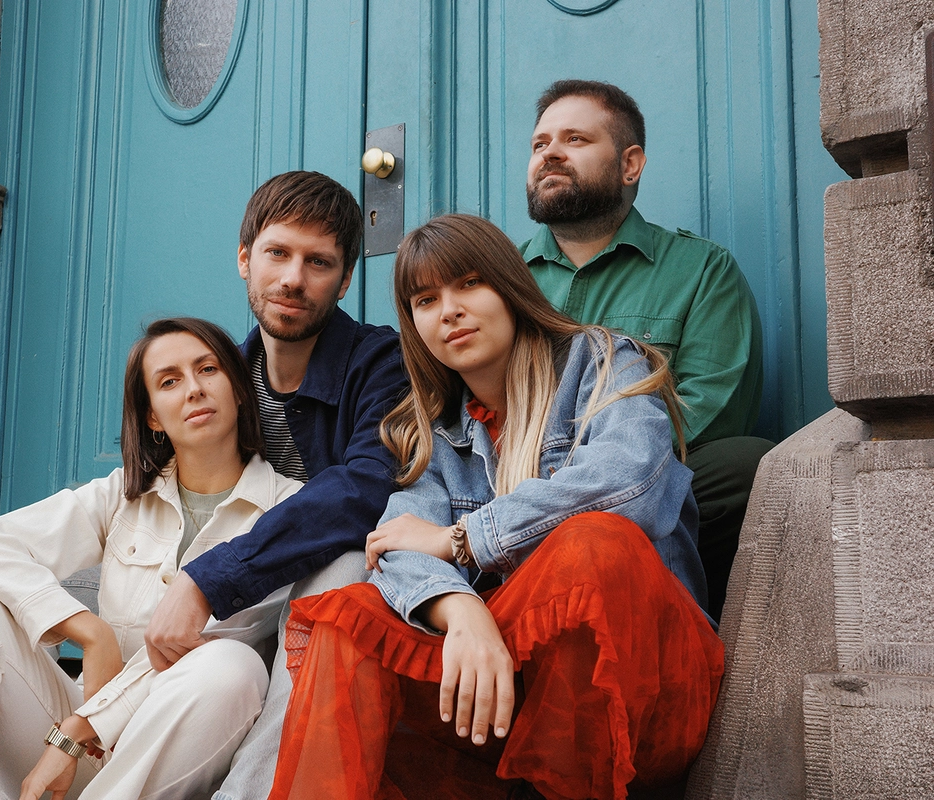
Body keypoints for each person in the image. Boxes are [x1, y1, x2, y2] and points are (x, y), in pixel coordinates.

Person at [268, 215, 725, 800]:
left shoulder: (603, 362)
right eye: (426, 300)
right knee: (350, 616)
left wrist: (463, 538)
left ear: (510, 287)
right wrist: (461, 609)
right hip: (507, 695)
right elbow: (397, 546)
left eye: (469, 284)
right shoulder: (434, 430)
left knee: (592, 543)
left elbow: (629, 480)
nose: (449, 311)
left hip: (647, 680)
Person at [0, 317, 303, 800]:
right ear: (153, 417)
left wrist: (80, 727)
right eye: (169, 381)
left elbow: (211, 639)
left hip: (165, 750)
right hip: (78, 738)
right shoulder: (124, 494)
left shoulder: (289, 510)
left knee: (233, 668)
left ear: (238, 389)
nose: (193, 389)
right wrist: (88, 630)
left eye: (208, 369)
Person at [128, 171, 406, 800]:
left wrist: (209, 578)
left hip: (324, 582)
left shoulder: (380, 363)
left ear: (345, 279)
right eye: (278, 253)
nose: (293, 279)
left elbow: (366, 489)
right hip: (240, 585)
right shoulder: (220, 374)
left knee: (341, 574)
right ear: (244, 259)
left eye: (319, 262)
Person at [520, 79, 774, 620]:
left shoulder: (702, 270)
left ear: (630, 164)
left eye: (575, 139)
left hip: (642, 478)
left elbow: (713, 408)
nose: (550, 154)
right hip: (517, 479)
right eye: (540, 143)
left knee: (744, 463)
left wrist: (593, 476)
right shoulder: (500, 281)